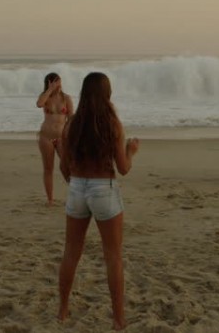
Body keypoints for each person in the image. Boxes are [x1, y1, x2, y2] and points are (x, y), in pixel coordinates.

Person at [57, 72, 139, 331]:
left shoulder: (72, 123)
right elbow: (124, 168)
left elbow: (64, 167)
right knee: (113, 256)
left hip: (78, 187)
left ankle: (62, 310)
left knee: (71, 252)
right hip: (104, 187)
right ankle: (118, 319)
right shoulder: (112, 123)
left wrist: (76, 183)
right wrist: (131, 150)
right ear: (107, 93)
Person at [36, 73, 74, 206]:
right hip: (46, 137)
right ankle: (50, 199)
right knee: (48, 168)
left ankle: (75, 193)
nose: (59, 85)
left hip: (61, 137)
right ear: (49, 83)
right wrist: (50, 90)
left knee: (68, 166)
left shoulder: (66, 98)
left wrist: (70, 136)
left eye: (60, 82)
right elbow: (39, 104)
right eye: (55, 82)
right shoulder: (45, 97)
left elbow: (71, 118)